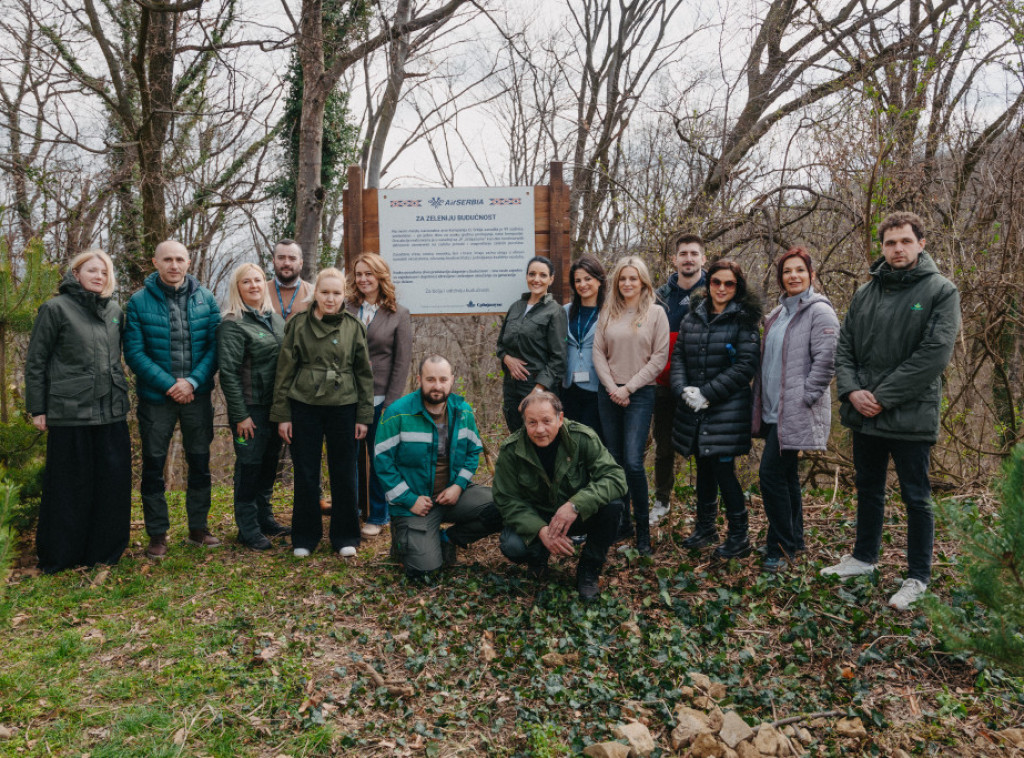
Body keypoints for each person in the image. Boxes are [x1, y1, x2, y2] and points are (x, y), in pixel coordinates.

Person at [821, 212, 961, 611]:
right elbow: (844, 348)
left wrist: (881, 396)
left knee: (916, 497)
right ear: (881, 247)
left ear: (920, 244)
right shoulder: (866, 293)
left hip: (910, 415)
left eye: (905, 241)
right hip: (864, 413)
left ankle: (918, 576)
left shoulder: (940, 291)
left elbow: (933, 356)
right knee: (868, 489)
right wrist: (850, 391)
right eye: (890, 243)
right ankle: (864, 558)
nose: (897, 249)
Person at [25, 250, 132, 573]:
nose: (98, 276)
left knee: (111, 484)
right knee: (69, 486)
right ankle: (61, 554)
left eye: (104, 272)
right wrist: (37, 408)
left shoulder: (114, 310)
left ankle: (103, 552)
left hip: (111, 411)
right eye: (91, 270)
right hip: (68, 411)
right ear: (76, 273)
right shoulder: (55, 309)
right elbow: (36, 361)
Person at [124, 239, 221, 559]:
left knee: (199, 462)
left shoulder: (206, 300)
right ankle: (157, 534)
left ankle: (198, 528)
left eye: (180, 259)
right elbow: (134, 353)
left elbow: (214, 349)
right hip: (155, 399)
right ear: (155, 262)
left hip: (198, 395)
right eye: (167, 259)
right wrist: (170, 384)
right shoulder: (137, 302)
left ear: (189, 262)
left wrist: (192, 382)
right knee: (153, 466)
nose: (174, 265)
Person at [271, 267, 374, 558]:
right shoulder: (298, 325)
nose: (330, 298)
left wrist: (364, 416)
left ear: (345, 295)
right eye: (325, 292)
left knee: (345, 473)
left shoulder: (354, 327)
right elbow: (284, 372)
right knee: (305, 473)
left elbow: (364, 374)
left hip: (344, 407)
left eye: (336, 293)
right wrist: (283, 415)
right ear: (315, 293)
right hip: (304, 406)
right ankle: (304, 537)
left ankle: (345, 536)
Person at [374, 355, 502, 579]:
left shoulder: (463, 411)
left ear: (452, 380)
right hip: (415, 502)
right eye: (430, 379)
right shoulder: (398, 413)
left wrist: (459, 486)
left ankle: (448, 538)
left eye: (443, 379)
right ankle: (406, 538)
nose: (437, 386)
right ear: (419, 380)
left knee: (504, 504)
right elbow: (382, 460)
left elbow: (473, 451)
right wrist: (408, 499)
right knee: (424, 572)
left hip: (451, 496)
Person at [752, 248, 839, 573]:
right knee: (786, 477)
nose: (793, 276)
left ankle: (782, 545)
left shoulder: (820, 312)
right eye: (787, 271)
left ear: (811, 275)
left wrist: (806, 397)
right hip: (775, 409)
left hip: (796, 411)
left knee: (769, 475)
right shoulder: (778, 314)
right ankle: (794, 538)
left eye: (799, 270)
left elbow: (827, 360)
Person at [493, 392, 627, 600]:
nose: (540, 429)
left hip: (575, 516)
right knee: (512, 546)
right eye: (532, 422)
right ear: (524, 423)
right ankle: (538, 557)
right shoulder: (511, 450)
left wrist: (576, 504)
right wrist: (540, 530)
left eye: (547, 421)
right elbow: (506, 499)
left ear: (560, 418)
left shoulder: (582, 437)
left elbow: (615, 478)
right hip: (539, 518)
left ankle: (589, 569)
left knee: (614, 506)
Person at [671, 259, 761, 559]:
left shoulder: (744, 320)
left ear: (738, 287)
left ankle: (739, 537)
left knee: (723, 470)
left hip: (727, 409)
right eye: (716, 282)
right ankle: (705, 527)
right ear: (708, 284)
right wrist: (683, 390)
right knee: (704, 468)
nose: (721, 288)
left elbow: (745, 366)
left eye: (729, 284)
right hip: (693, 408)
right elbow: (680, 355)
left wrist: (707, 394)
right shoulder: (692, 316)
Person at [592, 256, 670, 555]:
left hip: (640, 394)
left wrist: (629, 388)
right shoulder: (608, 312)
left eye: (632, 279)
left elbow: (659, 358)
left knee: (633, 462)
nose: (627, 283)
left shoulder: (656, 314)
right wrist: (613, 388)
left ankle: (642, 533)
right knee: (613, 461)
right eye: (622, 279)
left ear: (643, 282)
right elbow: (598, 352)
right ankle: (620, 524)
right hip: (608, 394)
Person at [218, 263, 291, 551]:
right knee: (249, 467)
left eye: (258, 280)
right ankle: (247, 528)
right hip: (250, 409)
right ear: (238, 287)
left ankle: (265, 518)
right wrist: (240, 415)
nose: (253, 286)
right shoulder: (233, 324)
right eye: (246, 282)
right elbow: (229, 373)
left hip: (275, 408)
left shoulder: (275, 320)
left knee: (269, 465)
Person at [345, 253, 412, 538]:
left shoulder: (399, 313)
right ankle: (352, 511)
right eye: (359, 274)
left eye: (369, 274)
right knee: (350, 457)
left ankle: (378, 513)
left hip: (381, 396)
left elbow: (403, 360)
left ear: (380, 277)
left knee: (378, 456)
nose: (363, 279)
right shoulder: (346, 308)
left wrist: (392, 401)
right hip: (346, 395)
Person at [651, 234, 707, 526]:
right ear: (674, 260)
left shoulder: (715, 290)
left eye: (693, 253)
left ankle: (705, 506)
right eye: (683, 254)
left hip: (700, 385)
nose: (688, 258)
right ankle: (662, 501)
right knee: (664, 447)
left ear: (703, 258)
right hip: (663, 384)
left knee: (702, 445)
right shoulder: (659, 295)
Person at [496, 256, 568, 432]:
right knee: (516, 438)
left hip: (538, 388)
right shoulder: (516, 307)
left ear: (551, 279)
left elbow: (559, 359)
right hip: (511, 387)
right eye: (532, 274)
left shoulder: (555, 312)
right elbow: (500, 345)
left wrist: (537, 391)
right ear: (526, 276)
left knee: (539, 437)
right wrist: (507, 359)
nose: (536, 279)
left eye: (543, 275)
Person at [561, 254, 606, 439]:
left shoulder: (609, 312)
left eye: (588, 279)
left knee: (591, 441)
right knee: (570, 440)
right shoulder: (565, 311)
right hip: (568, 387)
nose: (583, 284)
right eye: (578, 280)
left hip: (597, 387)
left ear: (599, 280)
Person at [269, 239, 313, 321]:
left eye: (292, 258)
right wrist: (262, 334)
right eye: (281, 258)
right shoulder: (260, 291)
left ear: (301, 263)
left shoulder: (313, 294)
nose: (286, 263)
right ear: (273, 262)